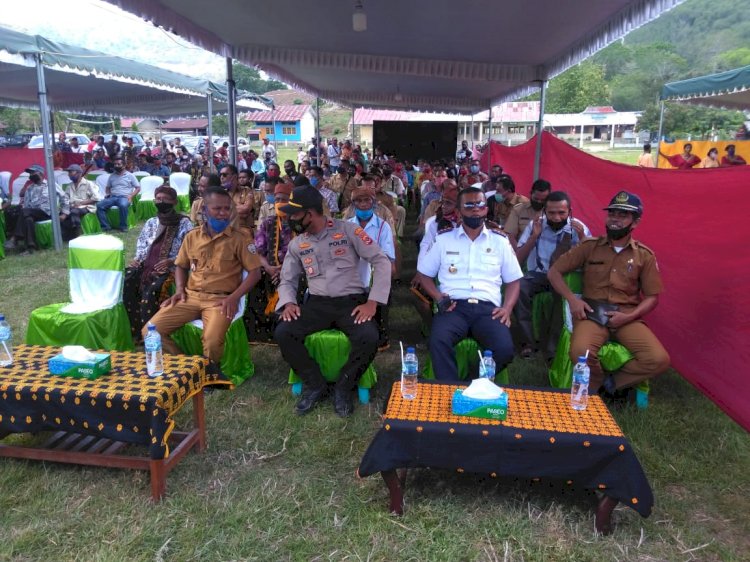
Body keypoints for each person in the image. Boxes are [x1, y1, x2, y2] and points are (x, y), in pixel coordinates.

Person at [274, 185, 391, 417]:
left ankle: (344, 387)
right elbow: (287, 279)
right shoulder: (298, 244)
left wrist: (373, 302)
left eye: (295, 214)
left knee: (369, 337)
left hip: (351, 302)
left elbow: (381, 260)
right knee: (283, 332)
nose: (290, 218)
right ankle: (315, 384)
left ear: (311, 213)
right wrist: (288, 302)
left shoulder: (348, 231)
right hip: (317, 303)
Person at [547, 190, 670, 396]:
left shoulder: (644, 256)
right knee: (579, 352)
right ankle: (595, 382)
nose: (615, 220)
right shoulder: (590, 247)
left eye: (622, 215)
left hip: (626, 315)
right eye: (612, 214)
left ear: (635, 222)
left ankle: (610, 385)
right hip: (592, 313)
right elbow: (554, 273)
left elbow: (652, 297)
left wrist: (629, 316)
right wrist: (572, 301)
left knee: (658, 360)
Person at [143, 187, 262, 366]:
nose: (223, 213)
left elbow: (255, 273)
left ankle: (209, 373)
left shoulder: (240, 238)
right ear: (204, 210)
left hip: (220, 300)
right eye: (217, 209)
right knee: (150, 331)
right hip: (190, 297)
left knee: (212, 340)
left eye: (227, 208)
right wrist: (180, 290)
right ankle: (187, 367)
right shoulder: (192, 237)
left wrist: (233, 298)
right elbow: (181, 266)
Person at [417, 187, 523, 380]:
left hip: (488, 309)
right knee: (438, 341)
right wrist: (437, 296)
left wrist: (507, 309)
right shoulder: (444, 240)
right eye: (469, 205)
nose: (475, 209)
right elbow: (424, 275)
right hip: (454, 307)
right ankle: (449, 388)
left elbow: (514, 281)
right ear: (459, 211)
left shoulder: (500, 241)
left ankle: (470, 385)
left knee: (505, 349)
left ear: (485, 210)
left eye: (480, 204)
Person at [514, 191, 591, 359]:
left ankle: (553, 347)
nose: (556, 217)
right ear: (544, 212)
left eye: (561, 213)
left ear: (569, 211)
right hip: (540, 274)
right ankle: (526, 342)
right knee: (518, 287)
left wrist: (583, 239)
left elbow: (591, 263)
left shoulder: (579, 228)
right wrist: (534, 237)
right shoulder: (536, 225)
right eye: (551, 213)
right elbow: (518, 259)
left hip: (564, 277)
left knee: (561, 297)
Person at [124, 186, 193, 342]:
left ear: (174, 202)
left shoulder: (184, 223)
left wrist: (171, 260)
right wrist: (138, 259)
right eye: (158, 199)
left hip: (172, 267)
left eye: (165, 199)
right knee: (128, 282)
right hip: (147, 264)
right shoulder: (151, 222)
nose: (161, 202)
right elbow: (142, 244)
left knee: (153, 290)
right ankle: (135, 332)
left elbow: (189, 249)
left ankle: (150, 333)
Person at [347, 185, 397, 350]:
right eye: (358, 201)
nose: (363, 204)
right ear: (353, 204)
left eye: (367, 200)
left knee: (382, 282)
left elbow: (387, 255)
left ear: (374, 202)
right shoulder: (347, 225)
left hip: (375, 269)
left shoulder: (383, 227)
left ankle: (381, 336)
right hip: (352, 271)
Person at [247, 181, 295, 342]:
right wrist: (268, 267)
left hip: (294, 269)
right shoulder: (268, 223)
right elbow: (257, 251)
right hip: (269, 268)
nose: (280, 203)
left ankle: (286, 327)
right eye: (277, 199)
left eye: (284, 199)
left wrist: (285, 269)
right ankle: (260, 331)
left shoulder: (301, 224)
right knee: (255, 277)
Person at [4, 164, 70, 255]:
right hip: (32, 213)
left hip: (48, 212)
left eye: (32, 172)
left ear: (40, 173)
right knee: (28, 219)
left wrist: (64, 213)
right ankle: (30, 248)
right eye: (29, 173)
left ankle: (15, 237)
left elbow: (64, 198)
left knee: (24, 212)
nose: (30, 175)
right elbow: (27, 204)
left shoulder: (51, 184)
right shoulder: (29, 188)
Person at [96, 157, 140, 232]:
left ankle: (123, 226)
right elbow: (108, 187)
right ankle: (106, 226)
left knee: (123, 205)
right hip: (113, 197)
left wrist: (131, 196)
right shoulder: (112, 176)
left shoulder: (130, 175)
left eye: (119, 164)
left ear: (124, 165)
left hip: (124, 197)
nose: (116, 166)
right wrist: (108, 194)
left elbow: (138, 188)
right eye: (115, 164)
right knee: (99, 205)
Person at [504, 179, 551, 246]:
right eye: (536, 199)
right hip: (521, 249)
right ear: (531, 193)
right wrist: (518, 253)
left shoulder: (553, 212)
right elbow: (510, 235)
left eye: (543, 200)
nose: (539, 202)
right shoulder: (518, 209)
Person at [61, 164, 101, 240]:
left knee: (74, 212)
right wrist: (64, 212)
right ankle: (67, 236)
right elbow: (65, 199)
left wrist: (80, 203)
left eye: (71, 172)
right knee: (61, 214)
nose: (69, 175)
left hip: (86, 206)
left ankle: (78, 235)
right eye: (68, 173)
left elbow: (96, 198)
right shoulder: (69, 186)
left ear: (79, 173)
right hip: (72, 206)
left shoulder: (88, 183)